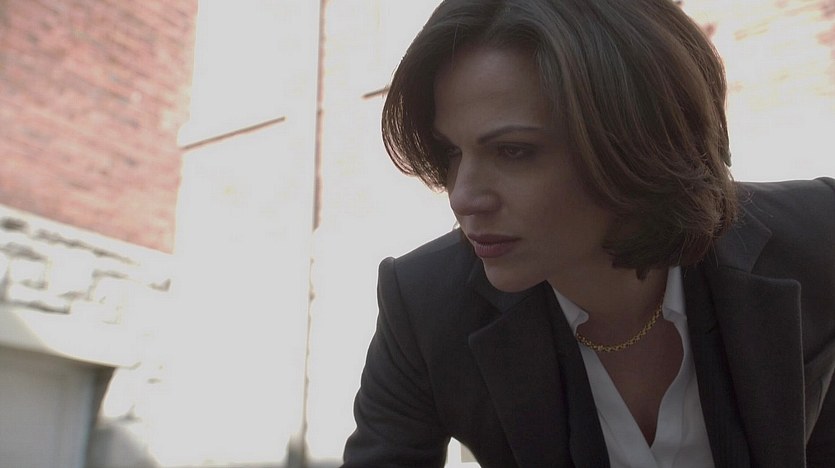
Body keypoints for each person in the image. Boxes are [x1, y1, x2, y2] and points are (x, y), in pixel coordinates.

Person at [342, 0, 835, 466]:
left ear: (638, 139)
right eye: (452, 152)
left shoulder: (817, 234)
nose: (463, 197)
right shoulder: (425, 306)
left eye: (514, 151)